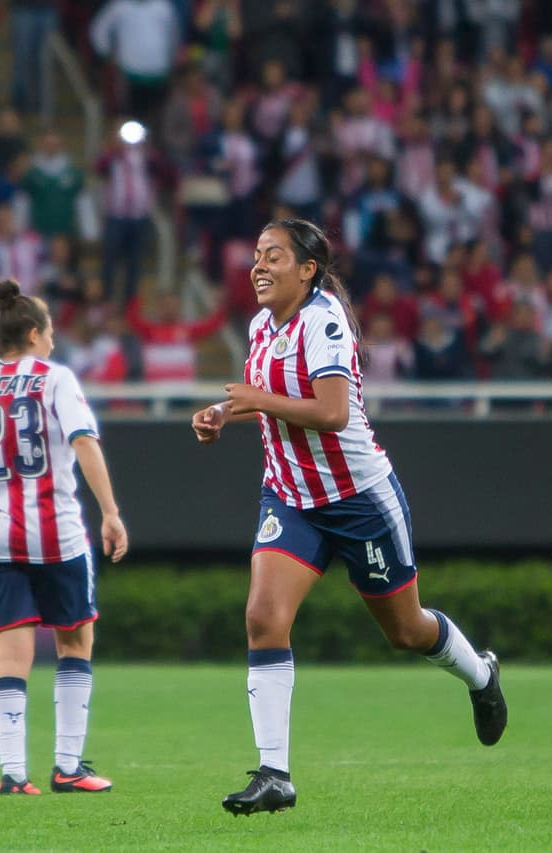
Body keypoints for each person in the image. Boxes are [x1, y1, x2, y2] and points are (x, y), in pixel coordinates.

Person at [191, 219, 507, 816]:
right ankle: (274, 774)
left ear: (307, 270)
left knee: (406, 631)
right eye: (256, 255)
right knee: (263, 615)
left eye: (273, 256)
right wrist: (219, 412)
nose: (258, 266)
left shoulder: (324, 319)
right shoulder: (263, 324)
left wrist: (256, 401)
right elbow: (261, 395)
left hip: (359, 499)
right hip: (290, 497)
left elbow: (333, 413)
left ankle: (480, 675)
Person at [0, 279, 128, 796]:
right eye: (48, 332)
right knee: (75, 640)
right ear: (32, 333)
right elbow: (84, 442)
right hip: (56, 535)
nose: (52, 342)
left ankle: (12, 774)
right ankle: (68, 767)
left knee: (12, 656)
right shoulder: (55, 378)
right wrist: (111, 511)